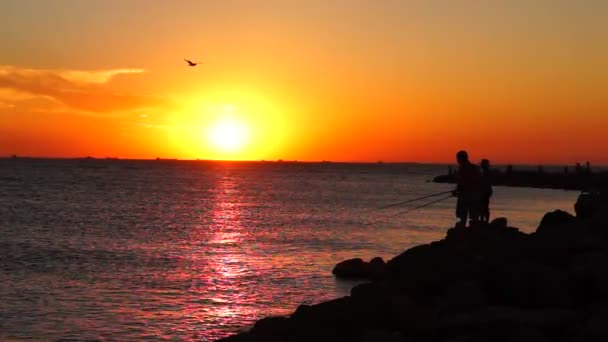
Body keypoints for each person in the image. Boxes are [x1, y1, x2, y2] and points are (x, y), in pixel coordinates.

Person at [453, 150, 481, 227]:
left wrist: (457, 190)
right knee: (473, 215)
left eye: (458, 158)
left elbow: (462, 182)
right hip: (473, 194)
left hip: (466, 195)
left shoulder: (463, 168)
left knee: (464, 214)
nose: (457, 160)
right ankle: (472, 228)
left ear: (461, 158)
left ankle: (464, 228)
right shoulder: (474, 168)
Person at [479, 159, 493, 223]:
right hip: (486, 191)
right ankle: (484, 220)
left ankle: (484, 220)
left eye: (482, 164)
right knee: (484, 206)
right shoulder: (485, 172)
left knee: (484, 206)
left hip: (485, 192)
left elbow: (484, 182)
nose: (481, 165)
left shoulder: (486, 173)